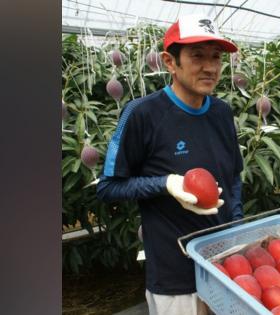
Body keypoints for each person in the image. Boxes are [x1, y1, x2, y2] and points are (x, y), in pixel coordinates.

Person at [96, 14, 243, 315]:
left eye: (216, 57)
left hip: (225, 264)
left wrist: (238, 228)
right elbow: (108, 187)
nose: (210, 67)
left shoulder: (222, 112)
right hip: (175, 274)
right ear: (169, 62)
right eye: (197, 56)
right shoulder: (141, 114)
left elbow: (234, 177)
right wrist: (165, 184)